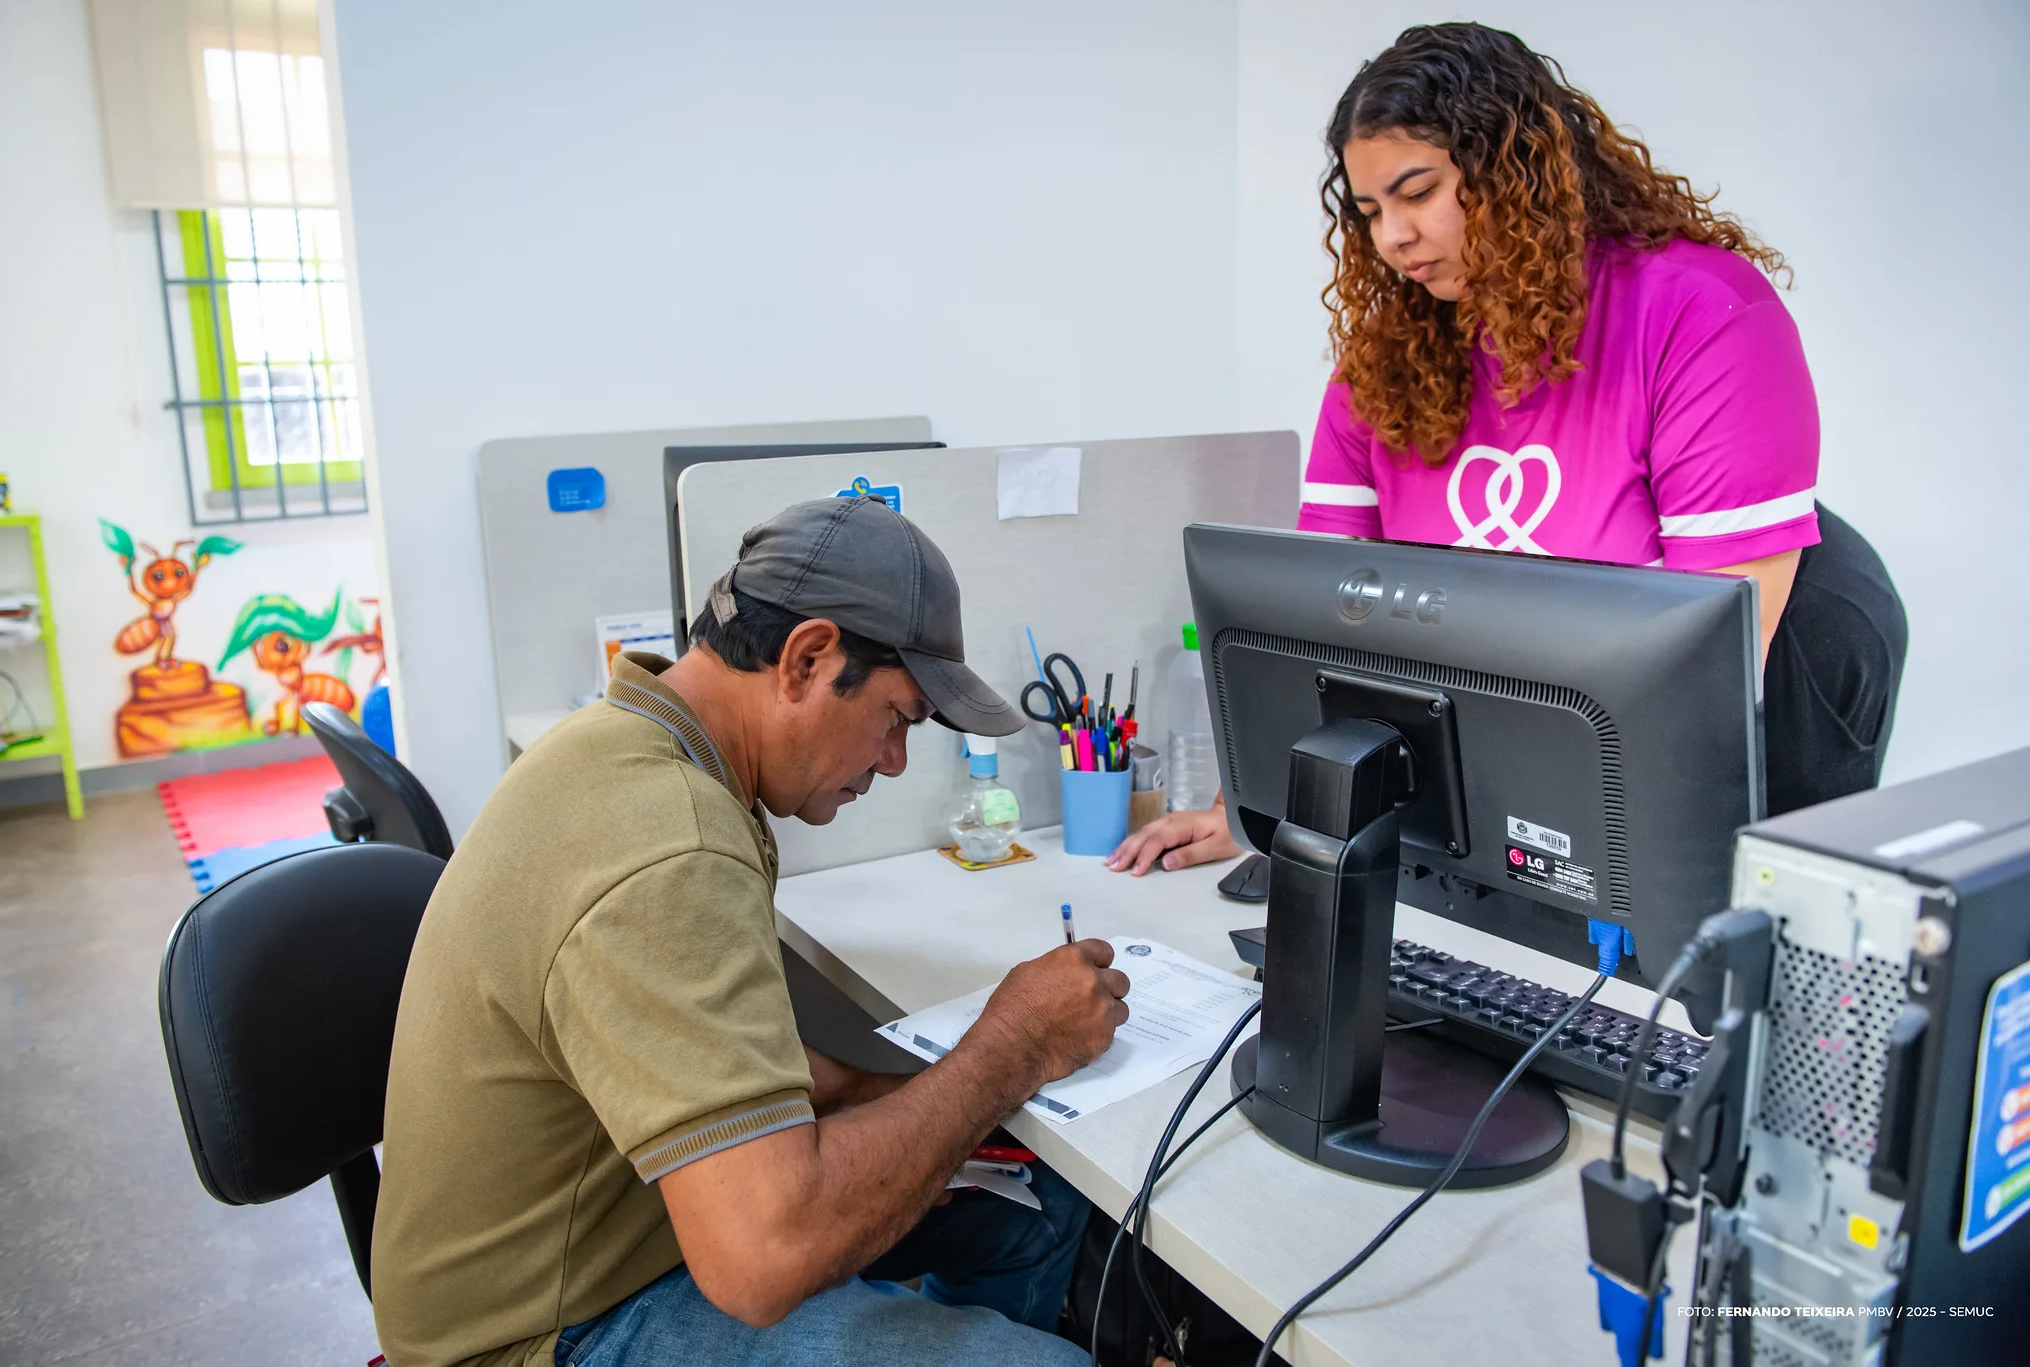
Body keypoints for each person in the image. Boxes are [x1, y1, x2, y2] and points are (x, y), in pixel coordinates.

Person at [1111, 21, 1902, 878]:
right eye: (1370, 210)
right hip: (1559, 684)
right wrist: (1258, 807)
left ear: (1510, 167)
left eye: (1418, 192)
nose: (1391, 238)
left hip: (1777, 656)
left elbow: (1704, 660)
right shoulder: (1385, 358)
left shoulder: (1702, 311)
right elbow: (1318, 611)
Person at [372, 495, 1129, 1367]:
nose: (893, 761)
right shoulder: (667, 844)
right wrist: (1015, 1046)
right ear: (808, 657)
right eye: (898, 717)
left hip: (616, 1227)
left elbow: (683, 1043)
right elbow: (765, 1260)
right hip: (544, 1329)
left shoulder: (638, 741)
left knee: (1032, 1206)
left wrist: (867, 1093)